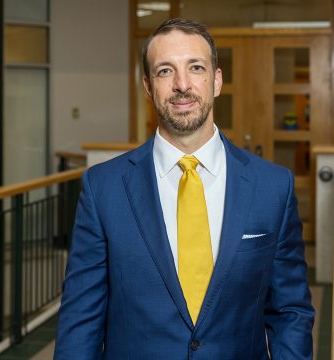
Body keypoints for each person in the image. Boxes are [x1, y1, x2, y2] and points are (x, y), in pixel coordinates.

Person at [54, 18, 314, 359]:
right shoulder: (103, 188)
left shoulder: (273, 187)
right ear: (148, 86)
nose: (182, 84)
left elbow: (290, 312)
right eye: (165, 71)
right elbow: (80, 319)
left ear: (216, 80)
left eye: (195, 67)